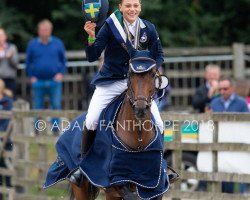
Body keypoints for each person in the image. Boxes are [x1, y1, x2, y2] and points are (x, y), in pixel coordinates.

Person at [25, 19, 67, 135]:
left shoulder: (58, 43)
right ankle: (37, 129)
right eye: (42, 30)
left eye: (46, 30)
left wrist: (60, 74)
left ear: (50, 31)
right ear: (38, 31)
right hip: (38, 81)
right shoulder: (32, 44)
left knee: (56, 105)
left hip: (54, 81)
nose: (44, 32)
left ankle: (55, 129)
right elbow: (28, 62)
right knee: (37, 106)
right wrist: (31, 76)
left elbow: (63, 61)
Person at [210, 76, 249, 193]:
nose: (222, 92)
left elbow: (246, 123)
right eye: (220, 89)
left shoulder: (241, 103)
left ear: (232, 88)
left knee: (239, 170)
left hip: (238, 142)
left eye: (225, 89)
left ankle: (241, 195)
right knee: (223, 171)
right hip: (220, 142)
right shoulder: (215, 102)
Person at [192, 64, 220, 191]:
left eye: (215, 75)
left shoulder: (224, 88)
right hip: (204, 126)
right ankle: (202, 185)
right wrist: (209, 95)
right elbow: (195, 104)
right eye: (210, 74)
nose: (213, 77)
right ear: (205, 76)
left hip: (220, 126)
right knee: (203, 153)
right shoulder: (201, 89)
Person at [0, 79, 13, 198]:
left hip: (6, 141)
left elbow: (8, 121)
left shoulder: (7, 102)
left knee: (8, 171)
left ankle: (10, 194)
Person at [0, 27, 19, 98]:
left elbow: (16, 64)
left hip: (9, 79)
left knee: (10, 100)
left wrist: (10, 58)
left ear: (5, 36)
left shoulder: (12, 48)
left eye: (1, 35)